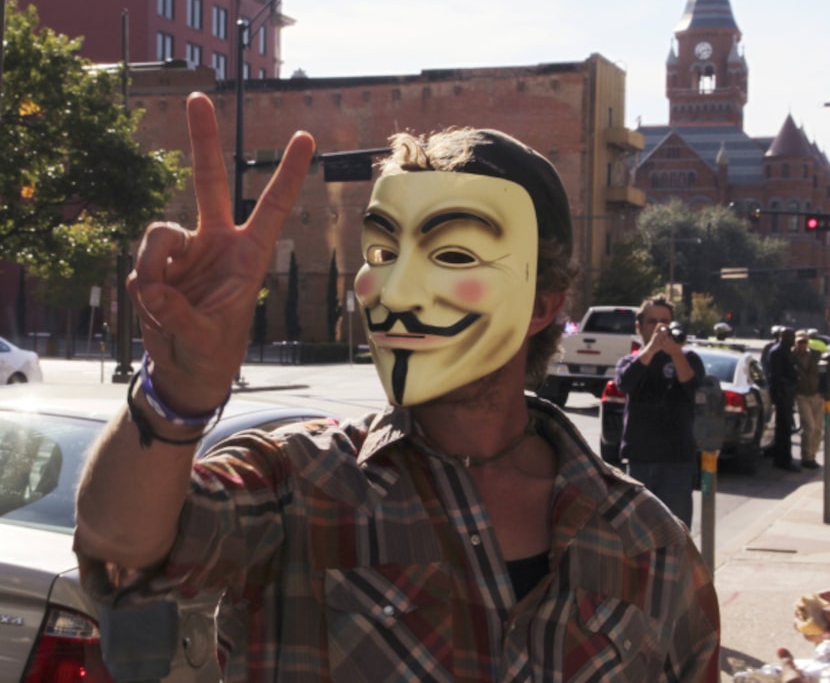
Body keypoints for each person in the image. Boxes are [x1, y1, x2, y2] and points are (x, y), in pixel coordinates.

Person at [74, 93, 720, 681]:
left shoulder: (645, 543)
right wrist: (174, 397)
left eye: (456, 256)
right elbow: (121, 551)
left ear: (542, 305)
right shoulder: (298, 483)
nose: (396, 292)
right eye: (382, 255)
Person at [615, 294, 705, 529]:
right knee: (637, 533)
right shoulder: (630, 361)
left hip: (677, 460)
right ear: (639, 326)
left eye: (664, 322)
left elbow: (691, 387)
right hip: (640, 458)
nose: (658, 328)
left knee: (675, 533)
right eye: (652, 322)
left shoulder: (689, 358)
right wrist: (652, 349)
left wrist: (675, 352)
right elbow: (625, 383)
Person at [769, 326, 801, 472]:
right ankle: (782, 460)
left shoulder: (787, 352)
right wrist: (787, 387)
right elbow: (776, 375)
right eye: (791, 338)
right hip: (782, 394)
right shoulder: (777, 352)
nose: (793, 341)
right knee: (783, 429)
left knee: (786, 428)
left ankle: (783, 458)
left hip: (788, 393)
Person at [793, 330, 823, 469]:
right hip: (802, 395)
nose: (802, 345)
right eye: (800, 342)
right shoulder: (792, 356)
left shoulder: (816, 356)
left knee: (818, 429)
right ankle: (806, 457)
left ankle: (812, 455)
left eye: (804, 342)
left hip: (816, 395)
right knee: (809, 426)